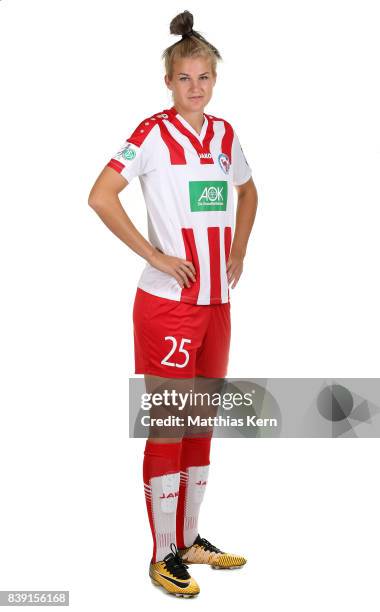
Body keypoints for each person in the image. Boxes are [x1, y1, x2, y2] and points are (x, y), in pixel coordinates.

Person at [88, 9, 258, 598]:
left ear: (215, 79)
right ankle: (161, 555)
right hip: (169, 306)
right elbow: (101, 196)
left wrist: (237, 251)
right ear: (169, 81)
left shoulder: (225, 135)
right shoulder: (151, 133)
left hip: (217, 304)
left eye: (204, 77)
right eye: (184, 78)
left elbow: (248, 190)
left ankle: (189, 539)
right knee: (169, 425)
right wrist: (155, 255)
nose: (195, 87)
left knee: (201, 424)